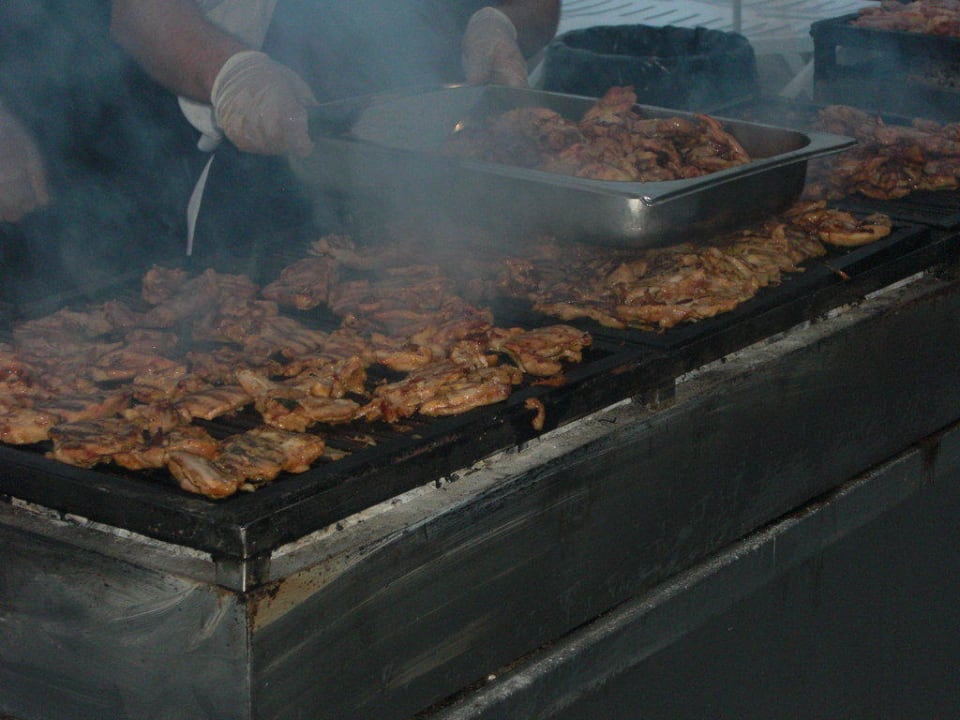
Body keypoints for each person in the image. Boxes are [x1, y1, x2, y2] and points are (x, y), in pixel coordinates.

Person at [108, 0, 561, 275]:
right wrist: (233, 73)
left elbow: (537, 5)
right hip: (271, 174)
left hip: (442, 179)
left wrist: (500, 23)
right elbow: (139, 12)